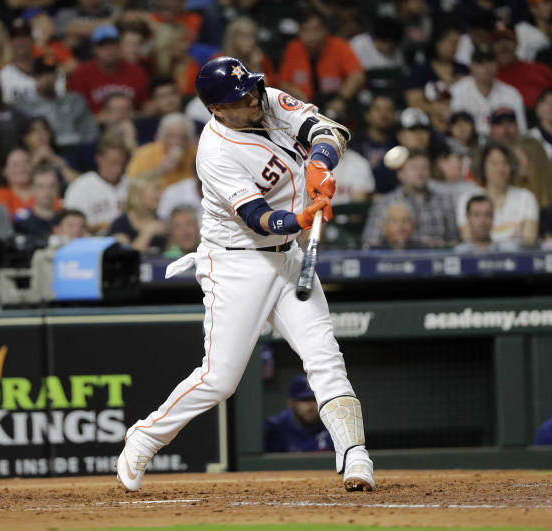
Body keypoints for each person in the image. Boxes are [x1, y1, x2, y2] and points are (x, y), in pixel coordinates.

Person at [116, 57, 375, 493]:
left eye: (251, 88)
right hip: (237, 262)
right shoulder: (215, 152)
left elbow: (327, 129)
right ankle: (145, 436)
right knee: (220, 379)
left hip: (286, 257)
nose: (252, 98)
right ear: (217, 109)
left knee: (325, 358)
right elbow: (258, 218)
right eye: (239, 97)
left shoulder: (266, 101)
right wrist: (303, 216)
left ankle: (355, 456)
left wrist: (320, 164)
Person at [362, 149, 459, 248]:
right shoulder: (385, 203)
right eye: (414, 168)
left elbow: (453, 242)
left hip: (435, 259)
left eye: (424, 167)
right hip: (396, 259)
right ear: (401, 174)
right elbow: (370, 243)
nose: (420, 173)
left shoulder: (445, 201)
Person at [457, 143, 539, 247]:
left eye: (505, 163)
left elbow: (528, 244)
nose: (500, 169)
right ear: (483, 166)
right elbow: (469, 242)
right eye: (494, 163)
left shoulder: (526, 198)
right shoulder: (467, 199)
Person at [278, 10, 364, 108]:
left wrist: (341, 99)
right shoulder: (293, 48)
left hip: (333, 103)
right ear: (299, 32)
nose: (311, 36)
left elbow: (357, 76)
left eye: (316, 29)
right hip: (302, 107)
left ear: (325, 29)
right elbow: (283, 83)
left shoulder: (340, 46)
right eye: (305, 30)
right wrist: (298, 96)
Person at [19, 58, 98, 153]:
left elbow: (91, 133)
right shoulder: (26, 106)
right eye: (41, 75)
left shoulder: (75, 101)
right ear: (34, 77)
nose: (47, 78)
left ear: (56, 76)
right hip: (44, 152)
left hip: (77, 151)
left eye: (50, 73)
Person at [68, 25, 150, 114]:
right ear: (94, 49)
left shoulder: (136, 72)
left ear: (119, 46)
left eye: (112, 44)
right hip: (94, 125)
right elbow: (75, 109)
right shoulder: (81, 73)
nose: (108, 49)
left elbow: (146, 105)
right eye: (102, 45)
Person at [492, 26, 552, 111]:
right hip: (506, 121)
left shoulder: (538, 69)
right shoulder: (488, 76)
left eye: (507, 40)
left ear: (517, 43)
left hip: (542, 120)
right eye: (498, 42)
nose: (503, 46)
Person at [450, 44, 526, 137]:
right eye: (481, 63)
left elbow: (521, 131)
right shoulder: (456, 91)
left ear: (497, 64)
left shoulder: (511, 94)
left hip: (503, 146)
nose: (486, 68)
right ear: (472, 66)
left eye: (490, 62)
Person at [62, 137, 131, 235]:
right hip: (93, 243)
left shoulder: (131, 184)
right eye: (112, 163)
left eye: (121, 163)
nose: (117, 169)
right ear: (99, 159)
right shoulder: (80, 186)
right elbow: (69, 226)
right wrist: (98, 227)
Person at [405, 24, 469, 110]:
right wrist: (436, 110)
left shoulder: (463, 69)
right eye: (452, 43)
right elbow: (413, 101)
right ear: (438, 43)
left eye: (457, 43)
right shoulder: (421, 70)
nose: (455, 47)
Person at [263, 374, 333, 453]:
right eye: (304, 399)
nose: (311, 405)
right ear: (291, 403)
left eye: (315, 399)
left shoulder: (333, 426)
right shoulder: (274, 429)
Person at [127, 113, 198, 189]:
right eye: (171, 136)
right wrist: (160, 170)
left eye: (183, 138)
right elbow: (132, 184)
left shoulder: (197, 155)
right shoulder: (145, 153)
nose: (177, 142)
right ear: (161, 137)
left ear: (190, 140)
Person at [109, 176, 168, 255]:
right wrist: (148, 232)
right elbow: (126, 258)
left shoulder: (161, 223)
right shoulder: (120, 224)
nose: (160, 194)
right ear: (139, 192)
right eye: (156, 189)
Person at [353, 95, 399, 194]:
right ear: (367, 115)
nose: (384, 114)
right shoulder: (355, 144)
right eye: (378, 109)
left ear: (395, 115)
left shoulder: (400, 143)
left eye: (389, 109)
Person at [454, 195, 519, 253]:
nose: (482, 221)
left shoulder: (507, 252)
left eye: (487, 214)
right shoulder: (458, 253)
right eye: (476, 215)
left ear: (493, 217)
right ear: (468, 218)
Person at [13, 165, 61, 240]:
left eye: (52, 186)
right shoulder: (22, 225)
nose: (47, 191)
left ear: (58, 188)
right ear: (32, 189)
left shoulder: (66, 222)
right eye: (41, 186)